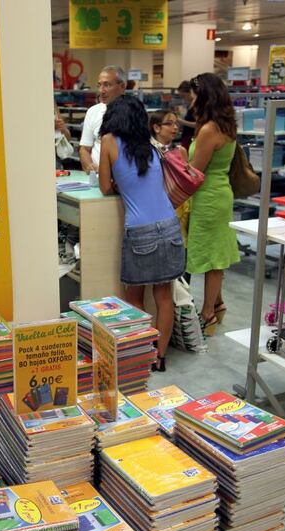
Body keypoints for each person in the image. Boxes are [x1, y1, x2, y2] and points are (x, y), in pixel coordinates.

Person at [99, 95, 185, 371]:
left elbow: (103, 186)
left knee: (134, 296)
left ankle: (141, 352)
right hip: (170, 226)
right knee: (163, 296)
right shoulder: (150, 145)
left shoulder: (109, 142)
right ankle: (159, 358)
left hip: (140, 230)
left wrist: (117, 182)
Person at [187, 73, 240, 335]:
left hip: (207, 197)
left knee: (210, 258)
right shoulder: (226, 126)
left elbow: (195, 172)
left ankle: (207, 314)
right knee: (217, 254)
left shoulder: (208, 130)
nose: (191, 100)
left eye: (194, 94)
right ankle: (217, 305)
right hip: (220, 194)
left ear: (204, 96)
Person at [149, 109, 190, 246]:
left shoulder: (180, 151)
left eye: (176, 123)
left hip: (177, 206)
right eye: (170, 123)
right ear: (156, 128)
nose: (175, 127)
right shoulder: (146, 151)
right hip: (153, 207)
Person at [79, 66, 126, 172]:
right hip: (98, 176)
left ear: (122, 86)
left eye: (107, 85)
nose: (101, 90)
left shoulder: (133, 112)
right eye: (99, 85)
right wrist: (89, 165)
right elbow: (84, 148)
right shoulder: (93, 112)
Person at [177, 80, 196, 152]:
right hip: (186, 136)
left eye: (183, 96)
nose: (183, 98)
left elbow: (198, 124)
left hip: (191, 137)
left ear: (190, 92)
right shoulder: (190, 104)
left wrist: (181, 121)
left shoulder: (196, 105)